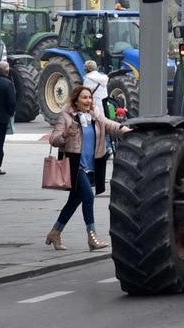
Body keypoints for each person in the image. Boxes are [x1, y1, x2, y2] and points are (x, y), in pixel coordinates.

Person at [46, 85, 129, 250]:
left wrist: (126, 130)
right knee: (88, 197)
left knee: (74, 201)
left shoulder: (95, 115)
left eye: (90, 97)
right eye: (84, 98)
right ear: (76, 100)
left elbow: (110, 125)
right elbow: (53, 139)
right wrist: (65, 134)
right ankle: (92, 236)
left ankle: (55, 232)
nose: (88, 101)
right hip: (74, 165)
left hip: (92, 165)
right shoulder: (67, 117)